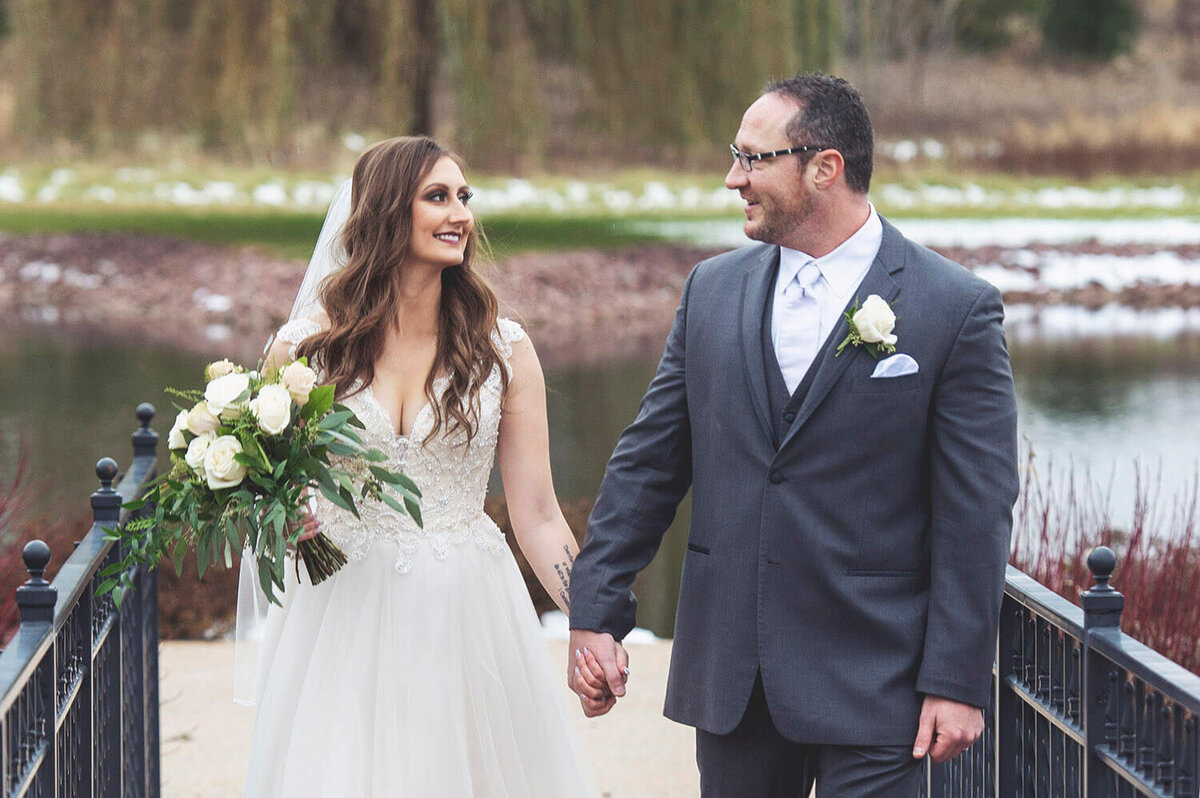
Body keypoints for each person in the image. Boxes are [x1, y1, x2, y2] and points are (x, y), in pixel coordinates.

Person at [567, 73, 1020, 796]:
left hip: (879, 683)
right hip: (734, 681)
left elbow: (977, 511)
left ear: (824, 168)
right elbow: (651, 461)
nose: (732, 178)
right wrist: (595, 611)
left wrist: (957, 679)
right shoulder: (710, 291)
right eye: (735, 156)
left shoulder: (953, 309)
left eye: (753, 159)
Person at [241, 136, 596, 796]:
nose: (460, 213)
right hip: (338, 609)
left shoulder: (504, 349)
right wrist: (287, 514)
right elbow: (268, 486)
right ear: (383, 212)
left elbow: (540, 514)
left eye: (465, 196)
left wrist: (588, 617)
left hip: (466, 609)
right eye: (437, 196)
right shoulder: (306, 349)